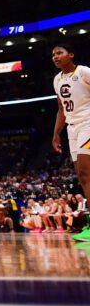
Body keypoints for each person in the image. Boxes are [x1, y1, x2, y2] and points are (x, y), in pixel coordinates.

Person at [50, 42, 90, 242]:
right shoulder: (57, 79)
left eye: (60, 53)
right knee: (82, 178)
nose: (55, 56)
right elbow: (61, 109)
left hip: (88, 123)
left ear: (71, 54)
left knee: (85, 172)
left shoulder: (84, 72)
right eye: (53, 54)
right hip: (72, 128)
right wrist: (56, 134)